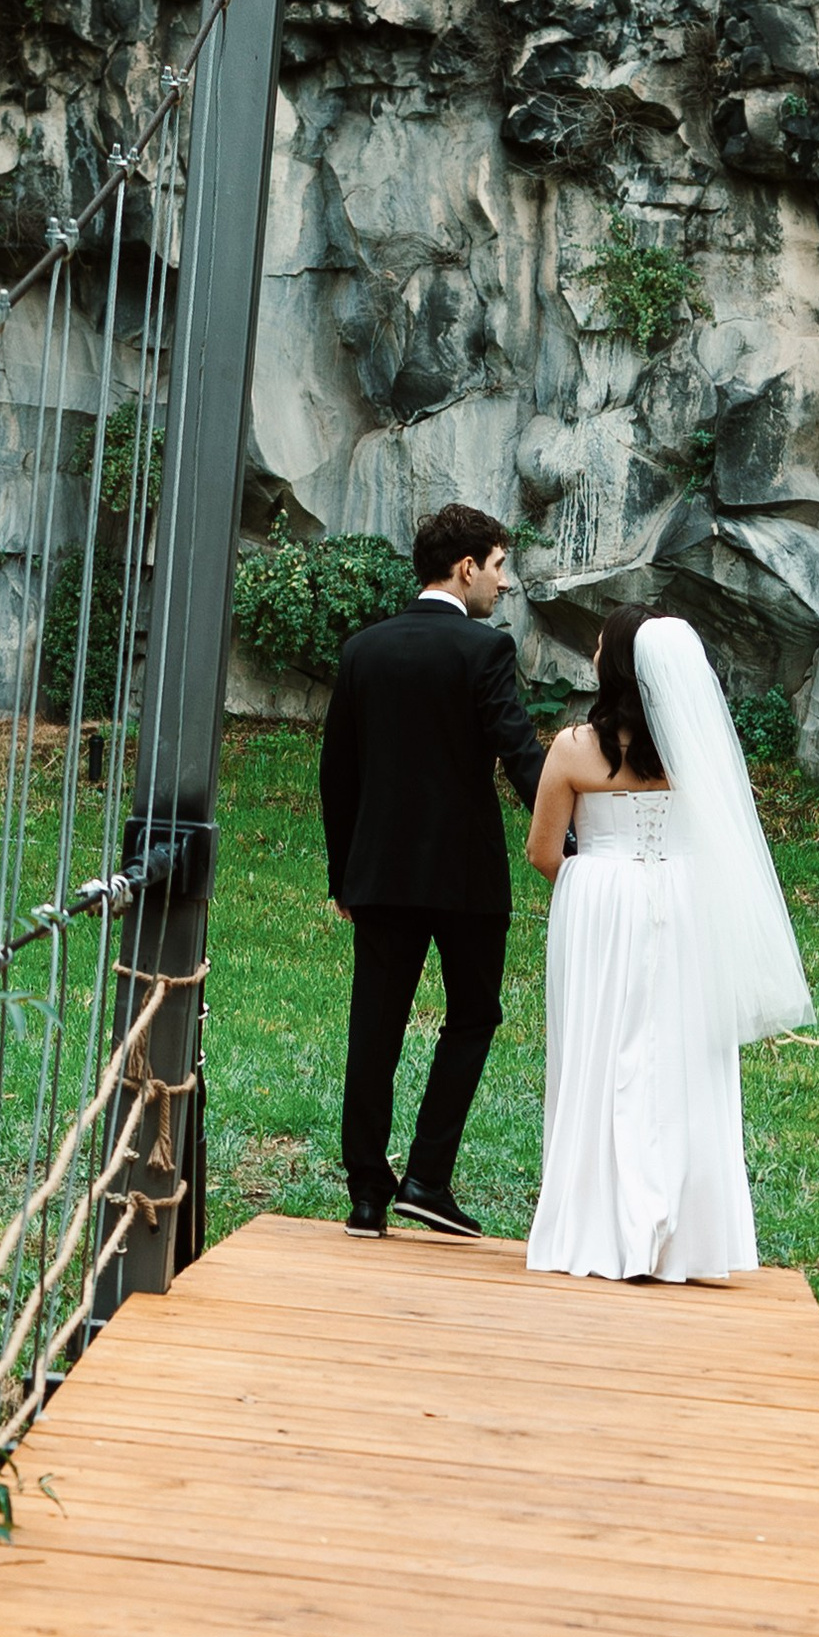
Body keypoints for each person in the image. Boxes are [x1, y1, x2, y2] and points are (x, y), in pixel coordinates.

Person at [522, 608, 811, 1284]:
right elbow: (725, 843)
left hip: (598, 908)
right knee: (681, 1054)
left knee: (598, 1050)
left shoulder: (572, 748)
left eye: (600, 644)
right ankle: (682, 1232)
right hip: (684, 907)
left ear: (616, 664)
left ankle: (597, 1222)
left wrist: (599, 887)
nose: (592, 650)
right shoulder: (699, 748)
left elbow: (542, 849)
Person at [319, 502, 549, 1240]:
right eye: (499, 566)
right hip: (466, 880)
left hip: (380, 875)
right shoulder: (485, 652)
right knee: (474, 1016)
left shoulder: (364, 650)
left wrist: (342, 875)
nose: (504, 584)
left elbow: (337, 773)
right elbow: (519, 755)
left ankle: (364, 1197)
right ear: (466, 567)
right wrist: (575, 823)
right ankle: (426, 1176)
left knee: (373, 1029)